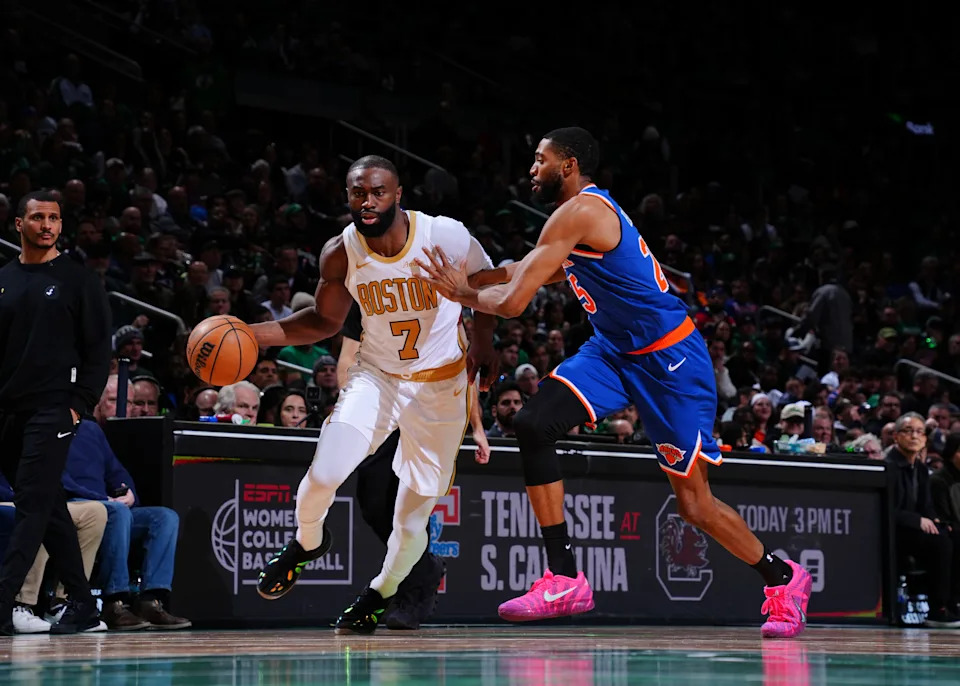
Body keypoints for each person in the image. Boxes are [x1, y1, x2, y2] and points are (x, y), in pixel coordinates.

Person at [416, 127, 812, 638]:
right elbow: (534, 273)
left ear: (569, 165)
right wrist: (478, 280)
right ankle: (564, 577)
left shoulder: (579, 211)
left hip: (669, 361)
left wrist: (460, 292)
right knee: (534, 423)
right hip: (613, 351)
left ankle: (784, 579)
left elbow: (515, 304)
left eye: (540, 159)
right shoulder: (574, 222)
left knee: (695, 507)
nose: (530, 169)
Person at [246, 156, 498, 634]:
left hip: (441, 389)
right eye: (358, 193)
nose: (368, 201)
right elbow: (324, 322)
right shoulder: (340, 252)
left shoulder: (444, 235)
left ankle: (379, 593)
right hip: (377, 376)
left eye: (378, 192)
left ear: (398, 194)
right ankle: (307, 542)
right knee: (322, 475)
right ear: (347, 196)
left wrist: (484, 342)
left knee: (409, 522)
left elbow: (486, 284)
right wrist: (250, 333)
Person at [336, 302, 490, 629]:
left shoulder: (440, 299)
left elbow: (466, 367)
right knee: (373, 499)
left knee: (410, 506)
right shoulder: (364, 292)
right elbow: (348, 359)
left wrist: (477, 427)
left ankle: (411, 588)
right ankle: (422, 570)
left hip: (432, 411)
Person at [0, 190, 112, 635]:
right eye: (38, 217)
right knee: (47, 508)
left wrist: (78, 404)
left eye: (54, 218)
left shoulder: (78, 280)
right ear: (19, 225)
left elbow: (99, 349)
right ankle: (83, 606)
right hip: (8, 410)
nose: (47, 225)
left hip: (53, 409)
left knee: (31, 503)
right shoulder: (4, 278)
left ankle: (3, 602)